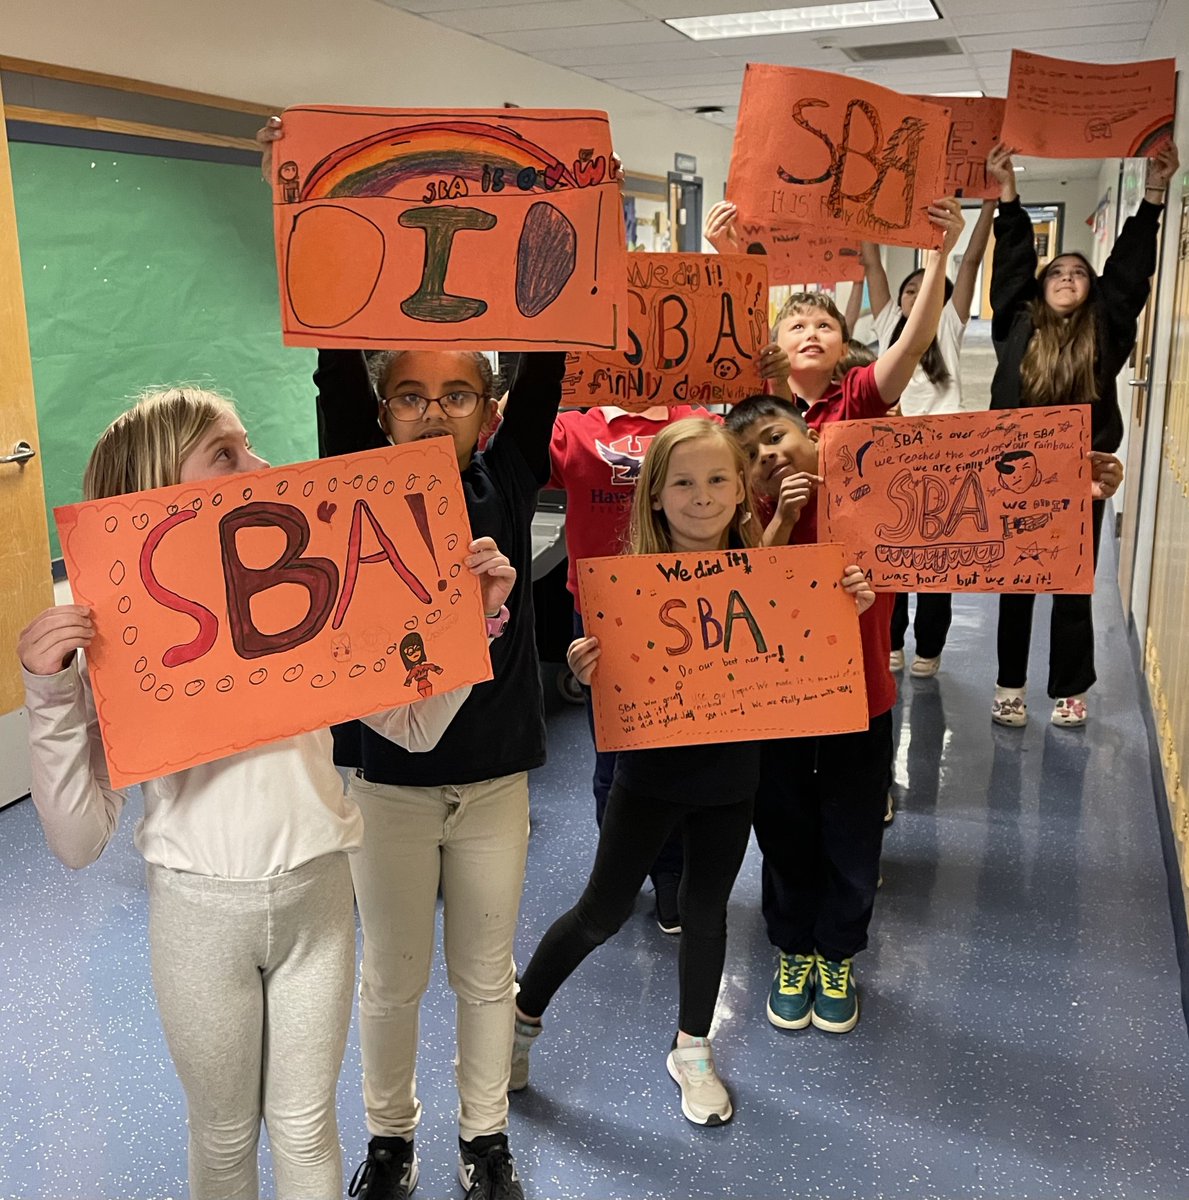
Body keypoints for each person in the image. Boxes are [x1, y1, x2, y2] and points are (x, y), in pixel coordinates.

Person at [18, 387, 509, 1200]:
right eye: (226, 454)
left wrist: (469, 625)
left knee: (308, 1126)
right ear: (159, 498)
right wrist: (51, 698)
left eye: (250, 446)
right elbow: (76, 841)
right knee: (220, 1132)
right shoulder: (121, 644)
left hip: (319, 895)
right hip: (198, 915)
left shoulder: (304, 604)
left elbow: (414, 727)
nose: (261, 466)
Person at [260, 114, 562, 1200]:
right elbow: (336, 357)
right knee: (388, 976)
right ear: (383, 411)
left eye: (458, 392)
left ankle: (486, 1140)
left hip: (490, 778)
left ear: (488, 410)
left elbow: (553, 337)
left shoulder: (510, 472)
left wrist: (554, 199)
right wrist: (306, 212)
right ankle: (393, 1138)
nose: (432, 408)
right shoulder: (356, 473)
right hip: (384, 780)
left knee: (484, 973)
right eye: (409, 392)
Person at [509, 417, 876, 1125]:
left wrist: (843, 603)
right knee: (601, 911)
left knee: (707, 915)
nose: (700, 496)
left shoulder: (769, 576)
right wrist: (590, 668)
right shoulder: (628, 586)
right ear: (653, 495)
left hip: (732, 778)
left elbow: (808, 641)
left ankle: (693, 1047)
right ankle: (522, 1018)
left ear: (742, 492)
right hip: (647, 777)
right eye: (682, 482)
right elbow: (608, 670)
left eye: (716, 480)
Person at [721, 196, 965, 1034]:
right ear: (776, 345)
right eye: (797, 320)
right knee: (782, 813)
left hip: (859, 654)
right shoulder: (748, 419)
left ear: (841, 340)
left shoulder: (860, 403)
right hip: (772, 667)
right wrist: (727, 257)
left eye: (825, 319)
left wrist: (938, 255)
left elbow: (912, 345)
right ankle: (791, 943)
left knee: (854, 816)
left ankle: (836, 952)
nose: (813, 329)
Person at [546, 341, 789, 933]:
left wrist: (772, 389)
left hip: (703, 608)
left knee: (693, 747)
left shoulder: (701, 424)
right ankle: (620, 871)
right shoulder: (572, 426)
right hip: (607, 614)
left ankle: (675, 878)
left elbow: (753, 472)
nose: (636, 360)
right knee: (616, 755)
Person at [985, 140, 1179, 727]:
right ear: (1041, 289)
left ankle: (1071, 689)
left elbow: (1127, 273)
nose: (1067, 278)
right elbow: (1014, 263)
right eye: (1058, 273)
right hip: (1016, 468)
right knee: (1016, 580)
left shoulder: (1106, 332)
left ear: (1090, 289)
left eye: (1078, 273)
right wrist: (1008, 194)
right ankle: (1009, 684)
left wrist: (1153, 197)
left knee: (1071, 582)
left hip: (1080, 472)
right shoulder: (1017, 327)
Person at [858, 201, 996, 678]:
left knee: (936, 564)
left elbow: (972, 261)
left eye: (926, 290)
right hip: (891, 460)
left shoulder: (950, 327)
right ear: (897, 302)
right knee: (892, 555)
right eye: (909, 291)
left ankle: (929, 647)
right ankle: (892, 640)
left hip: (945, 460)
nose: (916, 297)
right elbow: (872, 263)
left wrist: (991, 203)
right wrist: (859, 211)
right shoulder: (884, 330)